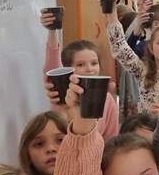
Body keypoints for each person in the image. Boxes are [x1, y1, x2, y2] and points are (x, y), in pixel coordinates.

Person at [41, 8, 118, 140]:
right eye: (80, 64)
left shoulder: (107, 99)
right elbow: (52, 63)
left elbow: (111, 138)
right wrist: (52, 31)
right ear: (67, 70)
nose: (89, 69)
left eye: (94, 63)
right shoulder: (62, 94)